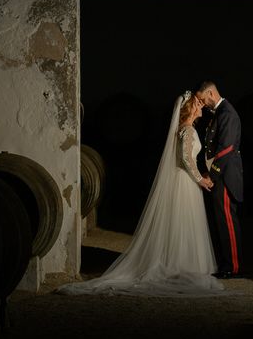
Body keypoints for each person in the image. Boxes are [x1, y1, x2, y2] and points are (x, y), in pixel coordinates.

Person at [57, 92, 224, 295]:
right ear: (190, 108)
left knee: (181, 221)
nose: (200, 107)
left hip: (185, 181)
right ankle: (179, 265)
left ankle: (180, 262)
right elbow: (186, 159)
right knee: (183, 220)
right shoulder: (187, 130)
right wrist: (201, 180)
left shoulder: (185, 129)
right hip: (185, 181)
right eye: (197, 104)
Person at [195, 81, 244, 278]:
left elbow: (226, 149)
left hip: (224, 176)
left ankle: (232, 267)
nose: (203, 104)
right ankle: (226, 264)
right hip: (220, 175)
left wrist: (211, 175)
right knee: (221, 221)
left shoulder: (227, 113)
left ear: (211, 93)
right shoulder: (219, 113)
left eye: (203, 99)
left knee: (227, 222)